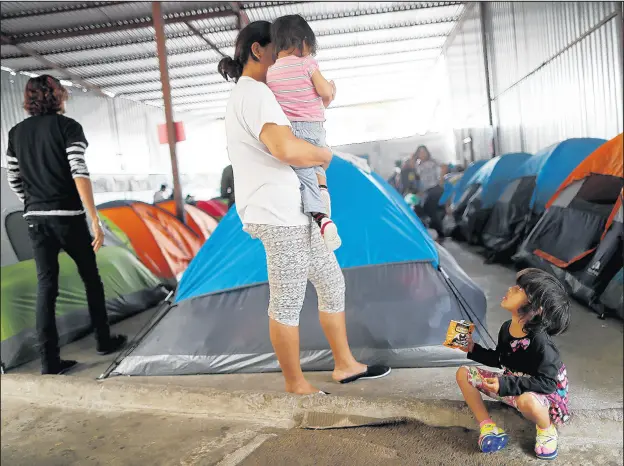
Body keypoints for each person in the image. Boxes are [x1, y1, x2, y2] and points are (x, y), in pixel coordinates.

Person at [217, 20, 390, 395]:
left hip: (295, 211)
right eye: (277, 51)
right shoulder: (255, 94)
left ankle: (345, 364)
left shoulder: (256, 94)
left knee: (331, 281)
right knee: (288, 300)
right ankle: (296, 384)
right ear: (258, 51)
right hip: (278, 214)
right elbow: (285, 148)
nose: (284, 62)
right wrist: (325, 156)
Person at [6, 75, 127, 375]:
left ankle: (50, 363)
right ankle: (103, 340)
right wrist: (94, 217)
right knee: (91, 279)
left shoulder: (15, 133)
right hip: (69, 218)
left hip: (35, 219)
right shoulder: (68, 127)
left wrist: (32, 201)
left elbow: (13, 178)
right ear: (57, 96)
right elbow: (78, 170)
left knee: (47, 288)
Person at [455, 268, 571, 460]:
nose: (510, 289)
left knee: (528, 401)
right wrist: (471, 348)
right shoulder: (507, 328)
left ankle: (546, 429)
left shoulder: (541, 341)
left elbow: (548, 383)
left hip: (544, 397)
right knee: (463, 373)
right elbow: (499, 359)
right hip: (511, 385)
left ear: (536, 308)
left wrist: (505, 384)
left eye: (518, 289)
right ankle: (488, 427)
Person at [266, 14, 340, 251]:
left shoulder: (270, 72)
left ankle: (321, 217)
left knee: (304, 174)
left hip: (289, 132)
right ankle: (323, 214)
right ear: (303, 41)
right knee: (317, 168)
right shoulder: (307, 63)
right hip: (313, 127)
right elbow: (323, 92)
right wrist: (331, 90)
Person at [415, 146, 445, 241]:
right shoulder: (418, 166)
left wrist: (441, 179)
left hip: (435, 188)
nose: (422, 154)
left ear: (427, 153)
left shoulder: (433, 162)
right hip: (426, 191)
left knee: (431, 208)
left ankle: (439, 233)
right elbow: (420, 180)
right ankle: (436, 232)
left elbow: (444, 166)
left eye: (424, 152)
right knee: (423, 209)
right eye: (420, 152)